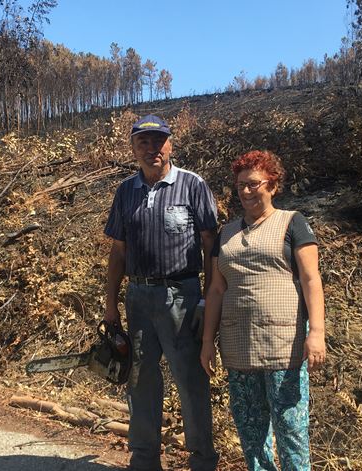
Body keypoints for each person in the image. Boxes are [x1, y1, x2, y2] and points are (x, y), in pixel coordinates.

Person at [103, 114, 220, 471]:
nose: (152, 148)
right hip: (138, 298)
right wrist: (110, 305)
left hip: (181, 298)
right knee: (140, 382)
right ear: (133, 148)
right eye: (144, 142)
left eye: (159, 141)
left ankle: (202, 462)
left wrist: (205, 299)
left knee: (190, 381)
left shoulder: (192, 185)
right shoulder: (125, 192)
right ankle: (145, 461)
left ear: (170, 144)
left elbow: (210, 244)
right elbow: (118, 252)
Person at [200, 150, 326, 471]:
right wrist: (206, 343)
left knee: (291, 433)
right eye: (240, 185)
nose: (245, 191)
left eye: (253, 184)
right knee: (252, 437)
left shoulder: (292, 223)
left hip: (284, 348)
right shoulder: (226, 234)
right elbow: (216, 289)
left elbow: (311, 279)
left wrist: (317, 333)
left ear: (272, 185)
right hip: (238, 350)